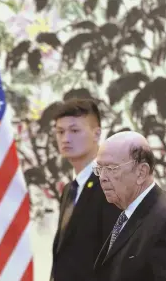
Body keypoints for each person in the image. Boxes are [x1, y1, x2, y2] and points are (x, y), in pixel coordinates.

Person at [92, 131, 166, 281]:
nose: (103, 178)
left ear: (141, 172)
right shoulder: (130, 212)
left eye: (111, 168)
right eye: (99, 169)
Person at [51, 98, 121, 281]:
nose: (65, 138)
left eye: (74, 130)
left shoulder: (111, 184)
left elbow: (117, 258)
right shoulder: (69, 190)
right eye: (60, 131)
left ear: (96, 134)